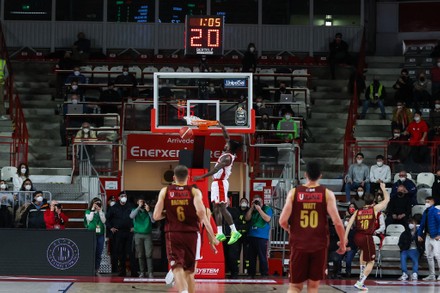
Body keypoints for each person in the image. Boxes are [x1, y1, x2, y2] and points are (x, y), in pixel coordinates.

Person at [279, 161, 346, 293]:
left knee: (294, 287)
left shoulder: (294, 192)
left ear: (305, 175)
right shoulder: (327, 194)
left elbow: (282, 221)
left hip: (299, 245)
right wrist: (343, 243)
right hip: (318, 246)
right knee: (313, 287)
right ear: (320, 176)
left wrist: (290, 230)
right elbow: (337, 222)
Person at [153, 165, 218, 293]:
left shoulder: (165, 191)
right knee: (189, 270)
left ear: (173, 177)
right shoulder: (194, 192)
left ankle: (183, 291)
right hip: (192, 234)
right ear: (188, 178)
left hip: (173, 233)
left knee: (176, 266)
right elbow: (201, 213)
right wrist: (213, 237)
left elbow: (156, 216)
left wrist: (168, 213)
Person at [193, 122, 242, 245]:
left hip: (220, 183)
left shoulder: (227, 158)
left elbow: (215, 170)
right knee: (215, 207)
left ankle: (234, 231)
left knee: (222, 207)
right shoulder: (227, 152)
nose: (225, 143)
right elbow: (227, 137)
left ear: (229, 147)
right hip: (216, 183)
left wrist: (201, 177)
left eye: (227, 144)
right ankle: (220, 232)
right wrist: (222, 126)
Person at [345, 182, 390, 291]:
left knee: (363, 252)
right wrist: (383, 189)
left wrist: (345, 237)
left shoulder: (357, 211)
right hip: (366, 236)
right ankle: (361, 282)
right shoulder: (374, 209)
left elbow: (349, 224)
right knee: (371, 261)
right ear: (373, 201)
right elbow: (387, 200)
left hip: (357, 236)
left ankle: (361, 274)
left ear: (364, 200)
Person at [106, 191, 136, 277]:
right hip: (118, 233)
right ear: (119, 198)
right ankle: (122, 271)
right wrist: (111, 228)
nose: (124, 197)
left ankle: (134, 272)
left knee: (131, 252)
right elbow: (107, 219)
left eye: (125, 196)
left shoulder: (131, 206)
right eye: (122, 196)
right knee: (120, 253)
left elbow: (136, 217)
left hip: (129, 232)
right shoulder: (114, 207)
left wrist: (134, 226)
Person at [245, 195, 272, 278]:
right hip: (252, 235)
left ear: (262, 201)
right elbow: (247, 218)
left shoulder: (267, 208)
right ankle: (251, 273)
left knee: (262, 256)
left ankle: (264, 273)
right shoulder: (253, 209)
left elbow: (267, 219)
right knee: (251, 256)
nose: (256, 203)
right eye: (255, 201)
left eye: (258, 201)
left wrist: (259, 209)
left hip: (262, 236)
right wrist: (252, 207)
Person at [130, 197, 155, 278]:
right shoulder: (135, 209)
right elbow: (131, 216)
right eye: (140, 201)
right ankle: (142, 272)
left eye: (143, 202)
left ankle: (150, 272)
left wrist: (149, 211)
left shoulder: (149, 211)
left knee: (149, 254)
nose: (142, 203)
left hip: (147, 234)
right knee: (140, 255)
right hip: (138, 234)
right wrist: (138, 207)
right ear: (137, 202)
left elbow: (153, 221)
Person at [417, 196, 440, 281]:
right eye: (426, 201)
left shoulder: (436, 211)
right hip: (427, 236)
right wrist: (419, 234)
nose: (426, 203)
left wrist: (439, 234)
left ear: (433, 202)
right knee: (429, 256)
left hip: (436, 237)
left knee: (438, 255)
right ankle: (432, 275)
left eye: (428, 201)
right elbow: (422, 224)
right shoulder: (425, 212)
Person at [85, 197, 106, 275]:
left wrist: (100, 211)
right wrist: (93, 210)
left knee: (98, 252)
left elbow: (104, 221)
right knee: (92, 251)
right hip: (91, 234)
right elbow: (89, 219)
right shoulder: (88, 211)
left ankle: (97, 269)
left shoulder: (101, 211)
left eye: (99, 203)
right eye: (96, 203)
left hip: (100, 234)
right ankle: (90, 269)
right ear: (92, 203)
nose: (97, 205)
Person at [343, 203, 358, 278]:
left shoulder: (356, 228)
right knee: (337, 256)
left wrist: (351, 247)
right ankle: (338, 273)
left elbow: (356, 240)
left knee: (348, 259)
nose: (351, 208)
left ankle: (348, 273)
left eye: (353, 207)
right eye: (350, 207)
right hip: (344, 245)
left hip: (352, 246)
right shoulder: (345, 219)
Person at [237, 198, 251, 274]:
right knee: (237, 252)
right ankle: (237, 269)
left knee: (247, 253)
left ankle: (246, 269)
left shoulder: (249, 211)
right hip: (238, 235)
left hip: (247, 235)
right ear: (240, 203)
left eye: (245, 202)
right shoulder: (236, 211)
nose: (244, 203)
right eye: (242, 202)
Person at [0, 56, 9, 120]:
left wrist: (3, 79)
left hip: (0, 83)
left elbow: (7, 73)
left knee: (1, 100)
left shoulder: (3, 62)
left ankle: (2, 115)